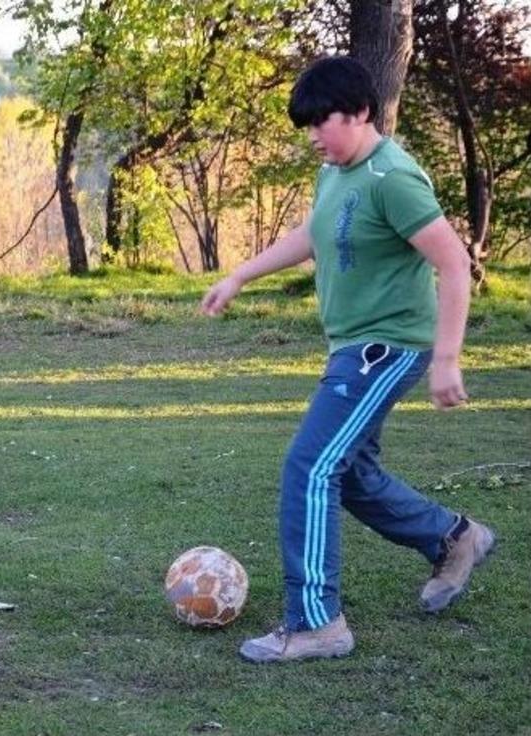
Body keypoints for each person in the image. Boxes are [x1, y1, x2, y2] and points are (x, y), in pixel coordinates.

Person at [199, 56, 495, 663]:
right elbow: (312, 233)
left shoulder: (395, 178)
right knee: (351, 474)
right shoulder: (336, 171)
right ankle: (453, 536)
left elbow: (454, 264)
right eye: (307, 126)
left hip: (387, 348)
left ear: (360, 112)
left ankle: (316, 623)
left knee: (309, 469)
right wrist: (240, 276)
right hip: (351, 349)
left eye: (321, 122)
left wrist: (447, 359)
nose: (313, 136)